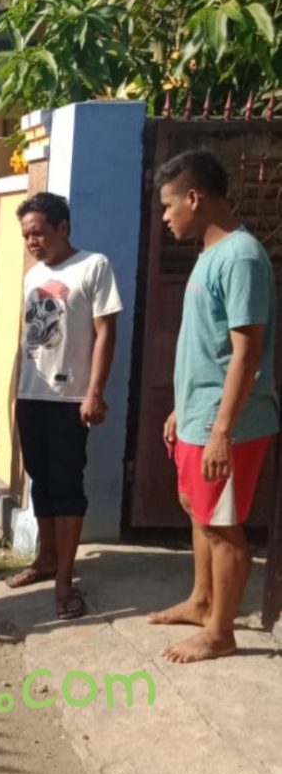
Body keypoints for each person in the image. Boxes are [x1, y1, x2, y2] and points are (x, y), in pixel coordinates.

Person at [149, 150, 278, 663]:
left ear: (194, 197)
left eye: (168, 205)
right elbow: (209, 347)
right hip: (200, 414)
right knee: (197, 508)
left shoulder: (241, 257)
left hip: (230, 423)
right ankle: (202, 601)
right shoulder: (210, 254)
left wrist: (222, 430)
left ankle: (221, 632)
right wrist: (183, 409)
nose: (165, 216)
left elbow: (246, 353)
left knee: (222, 524)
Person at [5, 192, 122, 621]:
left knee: (67, 483)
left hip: (70, 399)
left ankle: (64, 579)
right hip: (32, 395)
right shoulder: (33, 275)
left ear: (63, 228)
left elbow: (106, 332)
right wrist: (16, 391)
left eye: (38, 233)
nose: (31, 242)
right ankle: (46, 558)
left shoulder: (94, 266)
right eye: (26, 236)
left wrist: (95, 391)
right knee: (41, 481)